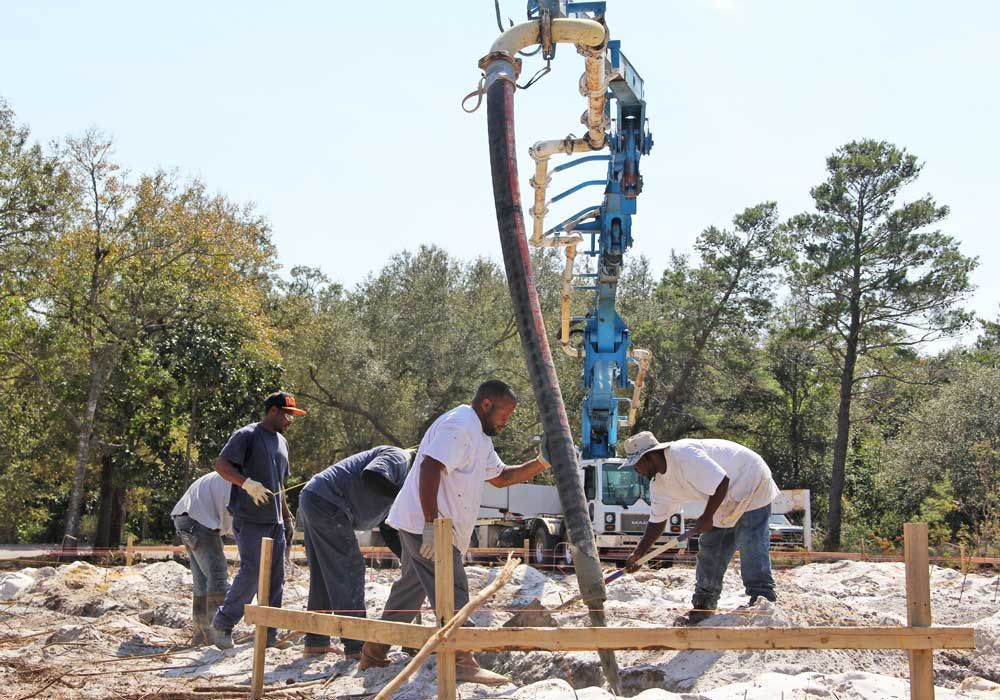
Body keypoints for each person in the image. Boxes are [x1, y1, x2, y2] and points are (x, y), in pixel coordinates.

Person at [359, 380, 549, 684]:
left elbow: (501, 477)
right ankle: (462, 660)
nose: (506, 421)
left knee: (410, 590)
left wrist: (542, 461)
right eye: (504, 414)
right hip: (431, 525)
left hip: (428, 523)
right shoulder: (459, 426)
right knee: (453, 585)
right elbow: (430, 467)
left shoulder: (480, 436)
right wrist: (432, 524)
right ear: (486, 404)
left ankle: (373, 654)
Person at [621, 431, 780, 626]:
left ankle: (762, 600)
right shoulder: (659, 486)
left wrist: (706, 517)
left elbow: (722, 482)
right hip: (723, 495)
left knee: (751, 542)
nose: (636, 470)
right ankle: (703, 606)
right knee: (710, 547)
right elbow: (657, 522)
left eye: (637, 463)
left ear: (651, 456)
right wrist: (639, 554)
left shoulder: (683, 455)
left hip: (750, 477)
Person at [297, 446, 415, 659]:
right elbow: (372, 475)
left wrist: (408, 559)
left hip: (317, 498)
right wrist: (405, 496)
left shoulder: (397, 487)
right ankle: (355, 644)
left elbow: (389, 531)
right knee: (351, 567)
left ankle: (316, 641)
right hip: (327, 501)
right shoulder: (399, 458)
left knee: (324, 576)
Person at [208, 391, 305, 649]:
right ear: (272, 411)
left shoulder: (282, 443)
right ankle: (223, 624)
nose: (290, 420)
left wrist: (286, 514)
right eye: (287, 414)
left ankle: (269, 635)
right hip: (249, 518)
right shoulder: (247, 435)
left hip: (274, 521)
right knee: (252, 572)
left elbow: (279, 484)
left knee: (275, 578)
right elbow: (221, 465)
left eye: (293, 416)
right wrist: (246, 483)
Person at [171, 471, 232, 646]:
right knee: (218, 577)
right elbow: (239, 528)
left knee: (203, 581)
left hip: (185, 518)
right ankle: (217, 635)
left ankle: (201, 635)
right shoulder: (242, 485)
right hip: (198, 520)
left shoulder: (232, 476)